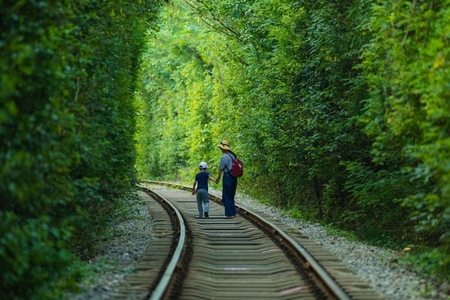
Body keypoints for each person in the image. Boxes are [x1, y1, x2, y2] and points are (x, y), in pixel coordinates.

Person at [215, 140, 238, 218]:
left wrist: (217, 178)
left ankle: (229, 213)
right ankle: (233, 212)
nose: (220, 149)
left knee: (226, 195)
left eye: (221, 148)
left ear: (224, 148)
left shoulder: (224, 156)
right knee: (231, 195)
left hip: (228, 176)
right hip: (234, 177)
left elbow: (221, 168)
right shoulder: (233, 156)